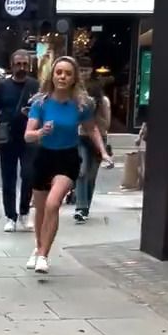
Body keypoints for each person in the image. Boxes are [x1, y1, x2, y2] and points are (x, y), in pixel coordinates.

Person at [24, 56, 113, 274]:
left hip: (67, 158)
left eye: (68, 73)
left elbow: (91, 129)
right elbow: (27, 135)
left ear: (74, 78)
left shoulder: (81, 105)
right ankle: (38, 247)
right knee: (41, 209)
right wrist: (41, 132)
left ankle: (43, 255)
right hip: (44, 157)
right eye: (59, 72)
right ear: (52, 76)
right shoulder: (40, 103)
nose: (62, 77)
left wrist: (103, 152)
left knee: (53, 204)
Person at [0, 51, 39, 232]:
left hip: (29, 137)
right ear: (12, 65)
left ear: (29, 65)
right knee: (8, 177)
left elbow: (43, 109)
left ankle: (24, 212)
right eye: (18, 64)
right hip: (7, 137)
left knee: (29, 174)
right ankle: (10, 216)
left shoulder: (35, 85)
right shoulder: (3, 86)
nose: (22, 67)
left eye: (25, 64)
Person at [74, 57, 113, 223]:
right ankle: (81, 207)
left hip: (98, 138)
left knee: (91, 176)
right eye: (81, 70)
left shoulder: (103, 100)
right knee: (81, 172)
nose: (83, 73)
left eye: (86, 70)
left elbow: (107, 122)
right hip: (81, 137)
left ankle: (85, 207)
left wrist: (96, 119)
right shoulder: (74, 94)